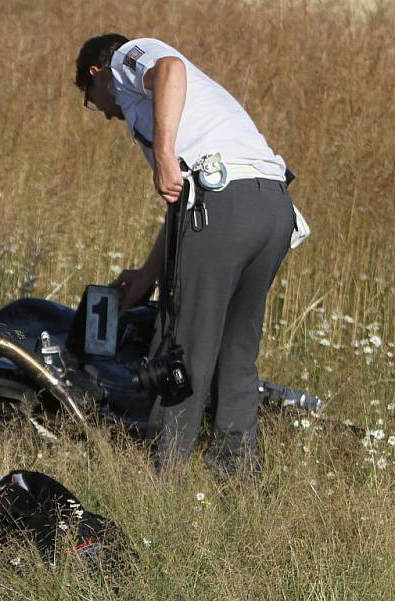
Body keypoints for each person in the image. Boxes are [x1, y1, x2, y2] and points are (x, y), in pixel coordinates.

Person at [75, 34, 299, 479]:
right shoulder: (193, 110)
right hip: (274, 209)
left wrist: (162, 156)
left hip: (224, 207)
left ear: (97, 74)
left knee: (182, 345)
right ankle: (238, 476)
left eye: (90, 98)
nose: (103, 113)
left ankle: (166, 475)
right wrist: (146, 276)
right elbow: (186, 203)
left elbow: (170, 69)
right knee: (238, 349)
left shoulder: (125, 59)